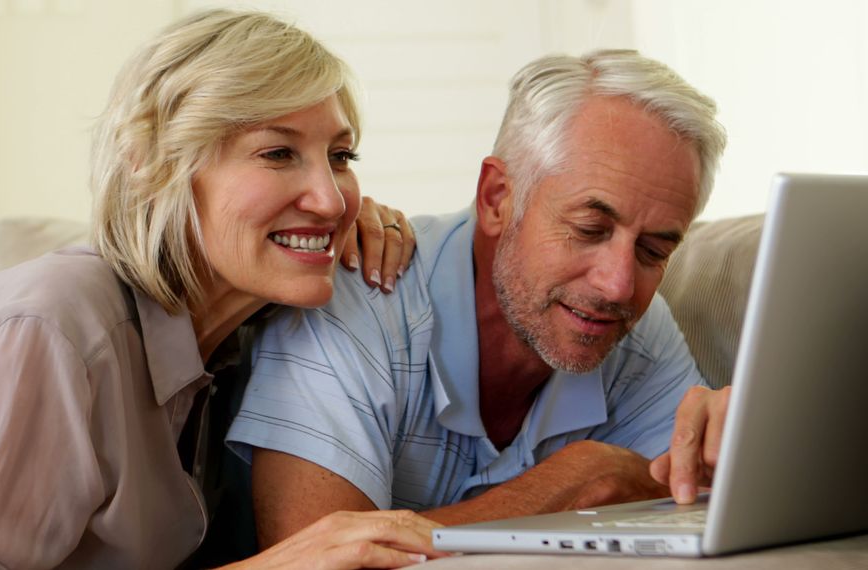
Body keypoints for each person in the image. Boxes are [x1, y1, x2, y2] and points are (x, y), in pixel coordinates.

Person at [0, 9, 444, 569]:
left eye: (340, 157)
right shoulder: (53, 329)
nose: (332, 199)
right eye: (278, 153)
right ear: (156, 165)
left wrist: (346, 229)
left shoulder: (248, 323)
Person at [226, 49, 734, 547]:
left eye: (652, 250)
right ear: (496, 198)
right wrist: (564, 488)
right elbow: (313, 559)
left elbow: (700, 501)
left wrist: (743, 451)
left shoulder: (640, 329)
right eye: (588, 228)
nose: (618, 285)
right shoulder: (352, 299)